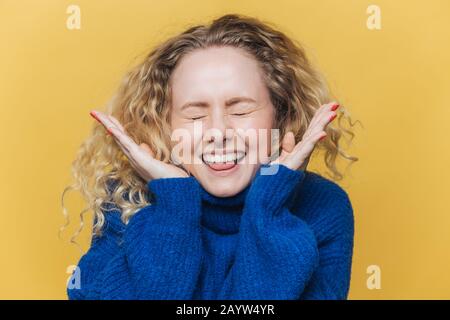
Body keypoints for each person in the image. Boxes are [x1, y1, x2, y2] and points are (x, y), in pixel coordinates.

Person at [64, 13, 358, 300]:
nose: (218, 132)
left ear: (279, 115)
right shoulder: (125, 200)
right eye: (194, 114)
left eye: (240, 110)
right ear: (164, 123)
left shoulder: (323, 207)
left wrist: (270, 203)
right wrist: (174, 204)